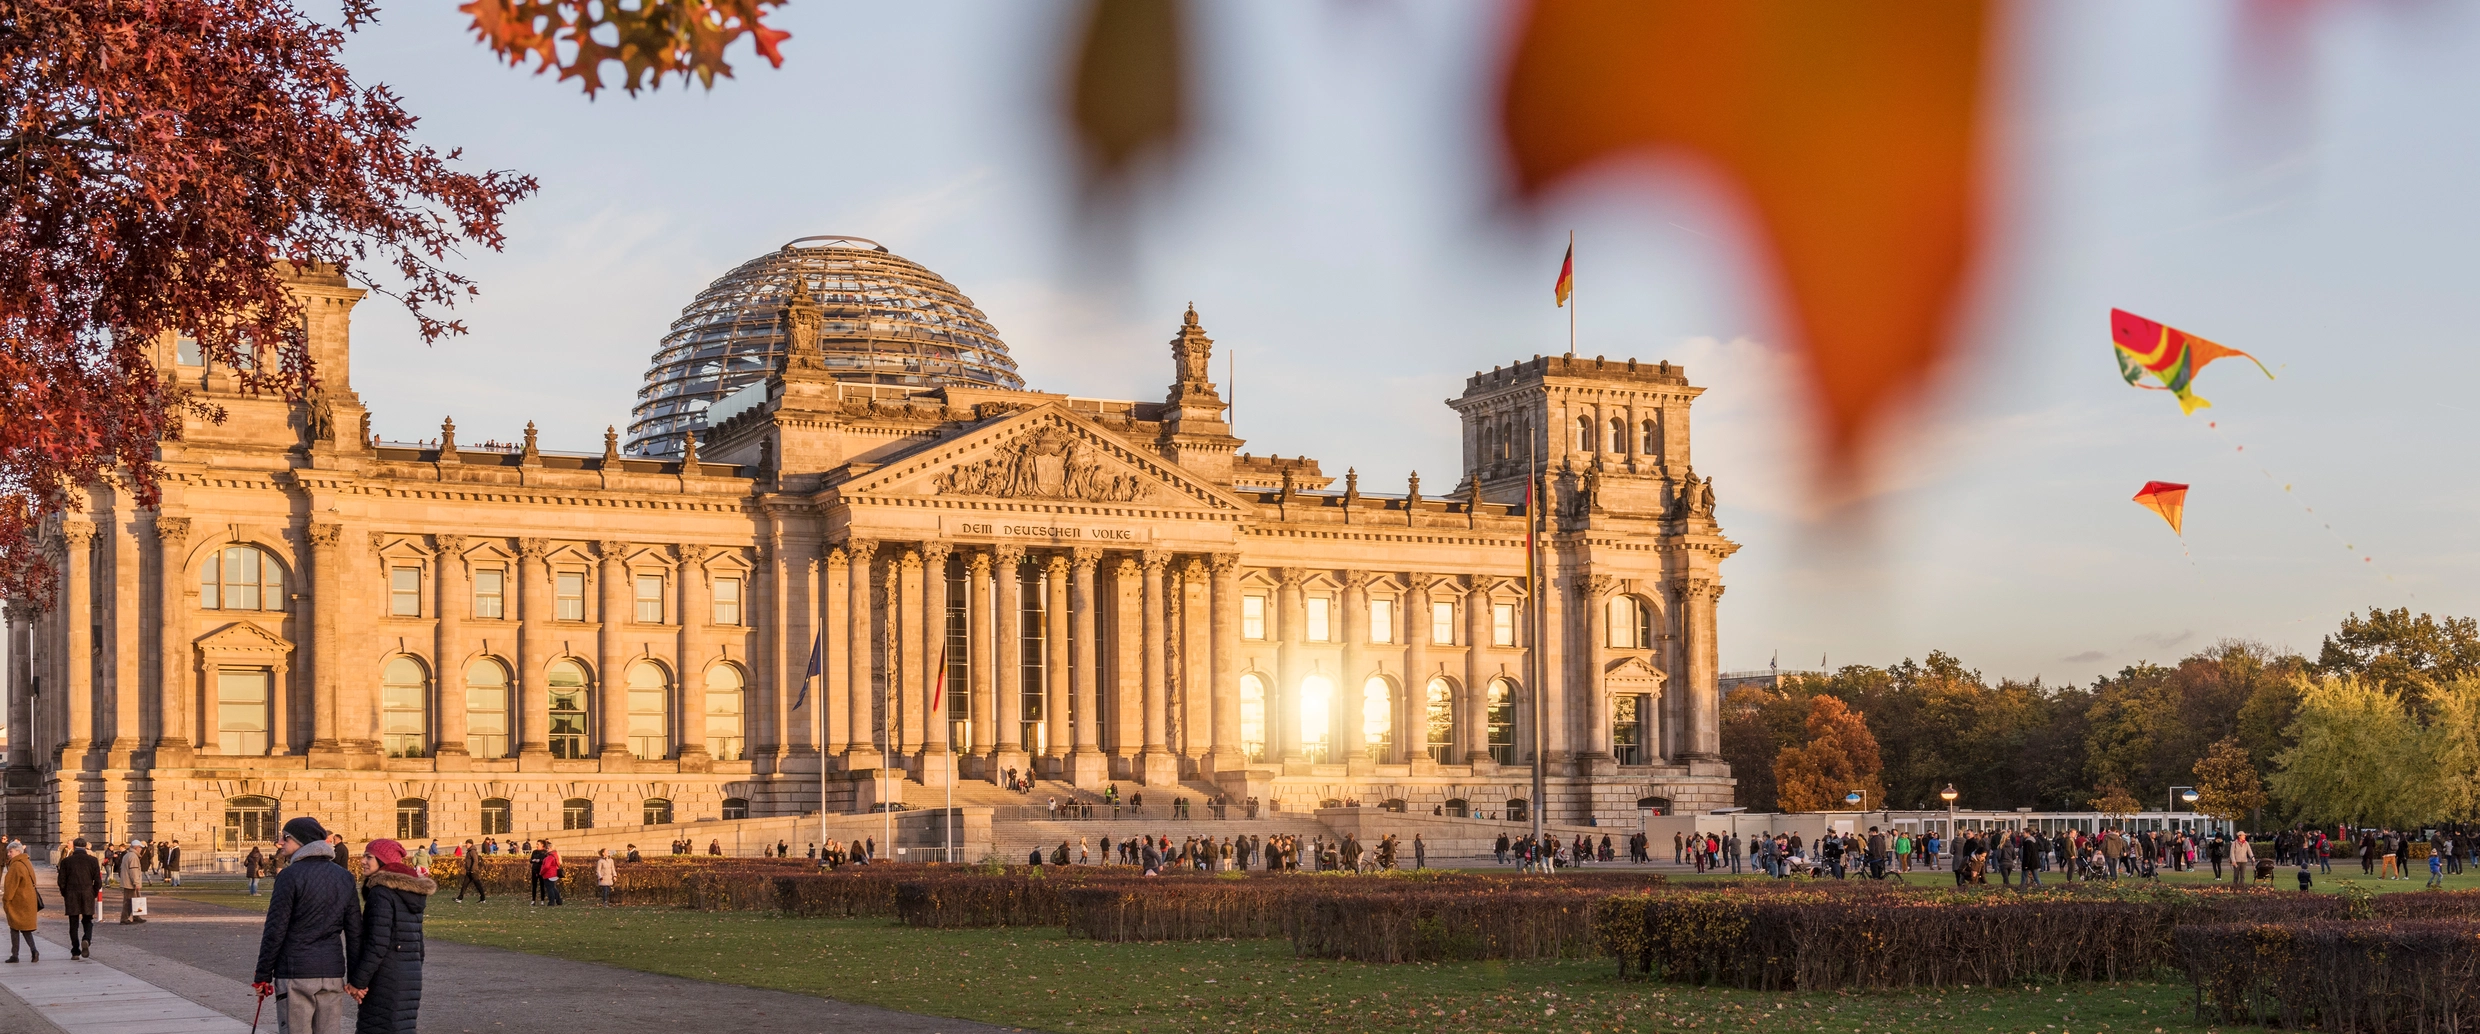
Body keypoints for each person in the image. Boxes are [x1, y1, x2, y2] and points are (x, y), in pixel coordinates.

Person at [254, 816, 362, 1034]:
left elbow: (276, 929)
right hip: (331, 972)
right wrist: (357, 978)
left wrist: (262, 975)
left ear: (300, 841)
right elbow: (354, 931)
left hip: (296, 971)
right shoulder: (344, 877)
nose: (281, 843)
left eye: (285, 838)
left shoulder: (290, 876)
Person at [348, 839, 434, 1034]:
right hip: (409, 977)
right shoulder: (409, 893)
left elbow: (377, 944)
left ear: (383, 861)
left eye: (369, 857)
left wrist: (358, 982)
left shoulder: (381, 893)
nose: (363, 861)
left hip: (385, 979)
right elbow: (419, 947)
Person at [56, 838, 100, 959]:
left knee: (73, 924)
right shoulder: (93, 860)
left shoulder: (66, 861)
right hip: (87, 893)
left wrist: (65, 893)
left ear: (74, 847)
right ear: (85, 847)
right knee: (88, 920)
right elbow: (98, 880)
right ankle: (86, 938)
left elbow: (61, 881)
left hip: (71, 894)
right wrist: (94, 892)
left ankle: (75, 950)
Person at [4, 840, 38, 963]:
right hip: (28, 900)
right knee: (25, 928)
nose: (8, 854)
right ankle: (34, 950)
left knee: (14, 927)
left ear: (18, 852)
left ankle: (15, 955)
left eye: (11, 851)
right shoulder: (27, 862)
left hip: (18, 901)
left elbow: (10, 886)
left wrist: (6, 901)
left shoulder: (16, 866)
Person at [115, 837, 147, 924]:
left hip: (127, 881)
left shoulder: (127, 855)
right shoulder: (133, 857)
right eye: (140, 848)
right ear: (136, 847)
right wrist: (136, 882)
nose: (141, 849)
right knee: (129, 901)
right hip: (130, 883)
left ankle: (136, 916)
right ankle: (124, 919)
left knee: (133, 900)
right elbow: (134, 871)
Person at [539, 842, 564, 906]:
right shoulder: (556, 855)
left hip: (549, 874)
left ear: (550, 848)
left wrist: (541, 872)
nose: (546, 850)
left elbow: (546, 866)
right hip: (554, 874)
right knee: (553, 888)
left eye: (547, 848)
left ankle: (551, 902)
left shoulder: (550, 857)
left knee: (550, 888)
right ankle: (559, 901)